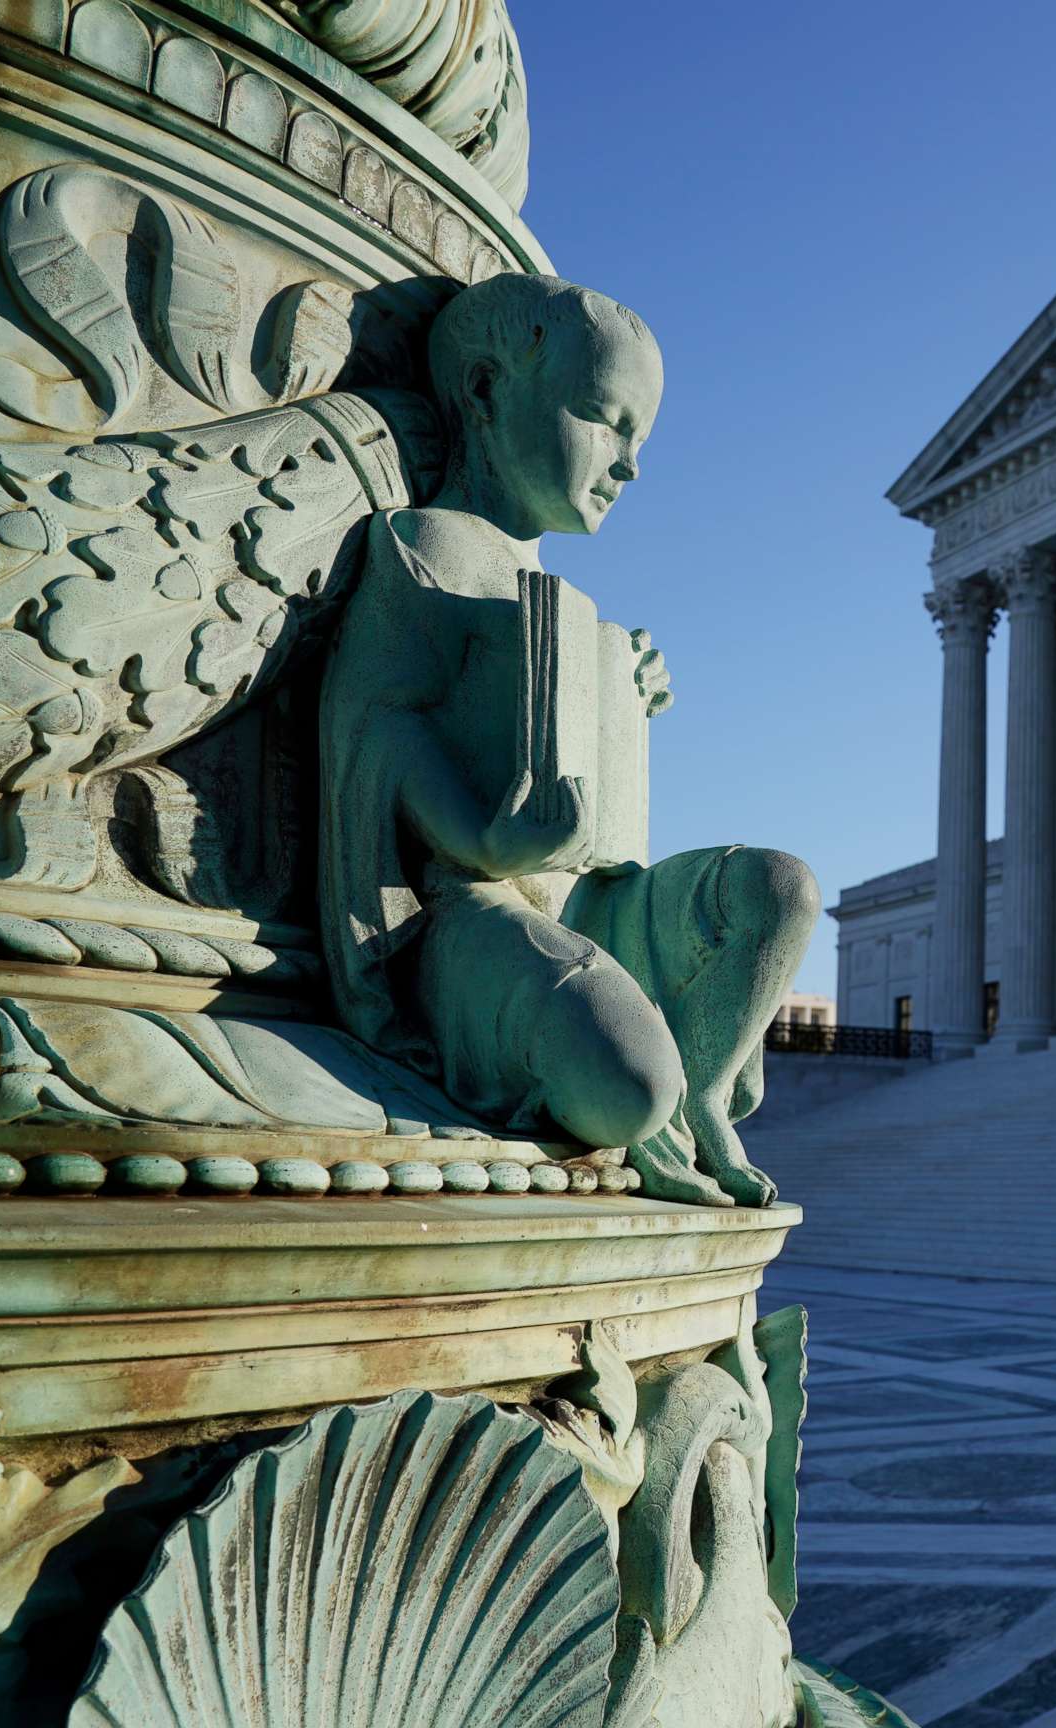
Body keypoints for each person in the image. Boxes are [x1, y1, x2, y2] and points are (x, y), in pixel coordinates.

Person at [319, 273, 814, 1205]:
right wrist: (484, 840)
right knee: (629, 1089)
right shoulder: (425, 545)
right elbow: (377, 732)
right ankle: (661, 1091)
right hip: (475, 908)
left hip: (599, 897)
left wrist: (622, 695)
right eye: (602, 417)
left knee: (779, 887)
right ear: (485, 390)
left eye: (641, 439)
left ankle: (706, 1094)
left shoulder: (570, 603)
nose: (628, 464)